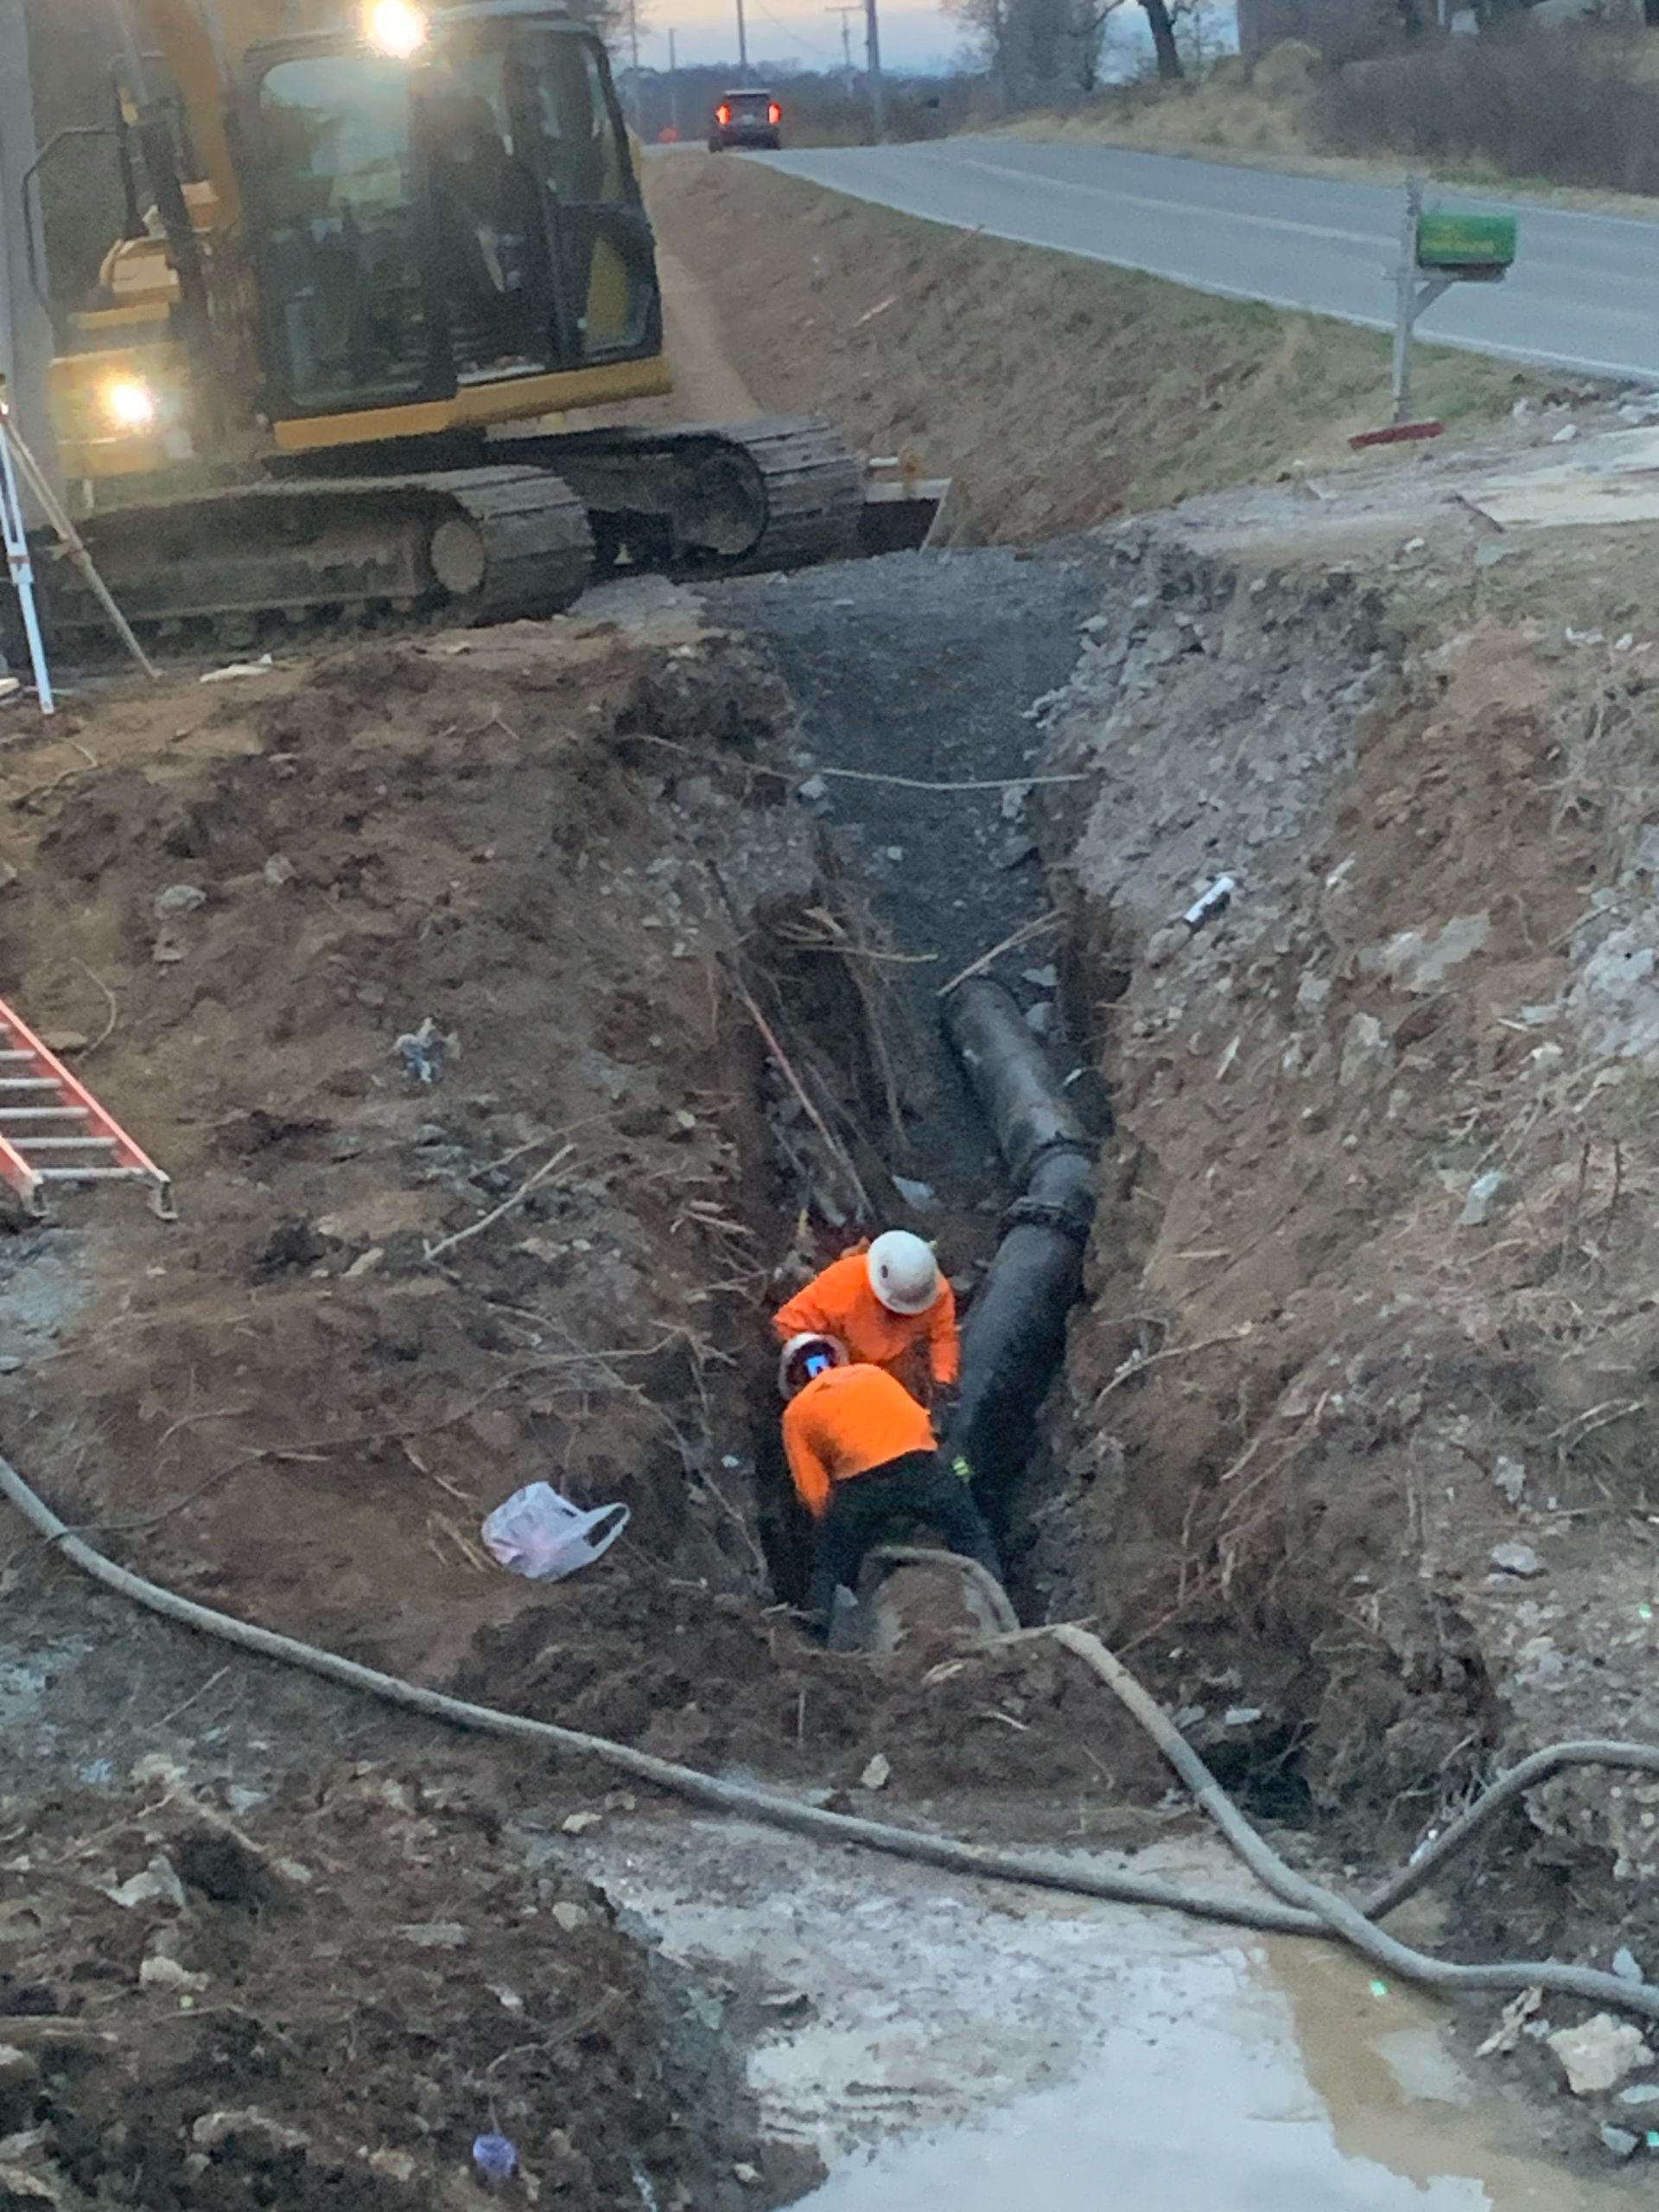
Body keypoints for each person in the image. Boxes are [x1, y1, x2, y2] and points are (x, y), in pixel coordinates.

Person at [779, 1333, 1004, 1639]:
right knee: (971, 1533)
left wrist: (836, 1529)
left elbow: (813, 1491)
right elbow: (919, 1422)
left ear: (794, 1381)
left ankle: (818, 1627)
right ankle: (999, 1595)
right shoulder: (874, 1374)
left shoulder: (797, 1413)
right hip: (922, 1469)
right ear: (836, 1359)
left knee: (831, 1567)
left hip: (861, 1487)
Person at [772, 1230, 958, 1409]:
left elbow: (943, 1338)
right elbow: (788, 1325)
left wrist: (943, 1379)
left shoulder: (933, 1293)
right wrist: (823, 1373)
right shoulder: (843, 1284)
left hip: (892, 1368)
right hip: (839, 1358)